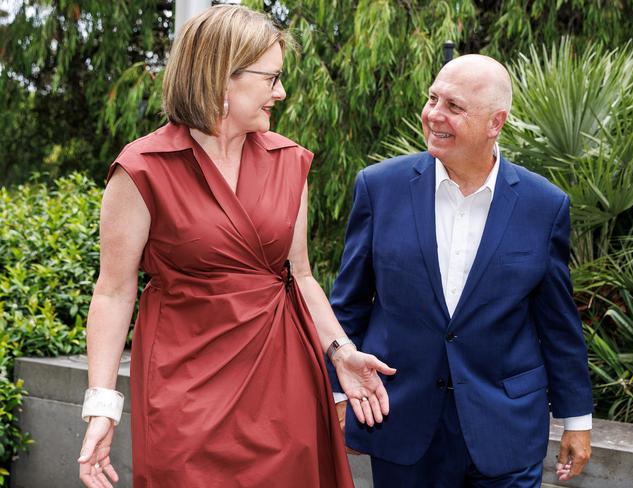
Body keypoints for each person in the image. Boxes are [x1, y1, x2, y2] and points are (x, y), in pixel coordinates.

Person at [77, 5, 395, 487]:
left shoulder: (290, 161)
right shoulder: (142, 168)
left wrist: (341, 353)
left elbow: (301, 275)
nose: (281, 93)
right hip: (184, 386)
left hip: (282, 378)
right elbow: (113, 292)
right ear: (222, 76)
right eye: (271, 79)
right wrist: (101, 403)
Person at [328, 54, 593, 487]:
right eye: (433, 98)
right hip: (400, 422)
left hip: (506, 431)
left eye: (453, 106)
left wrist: (577, 419)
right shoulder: (378, 187)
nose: (434, 114)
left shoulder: (543, 205)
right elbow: (348, 304)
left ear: (496, 122)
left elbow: (558, 323)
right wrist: (339, 392)